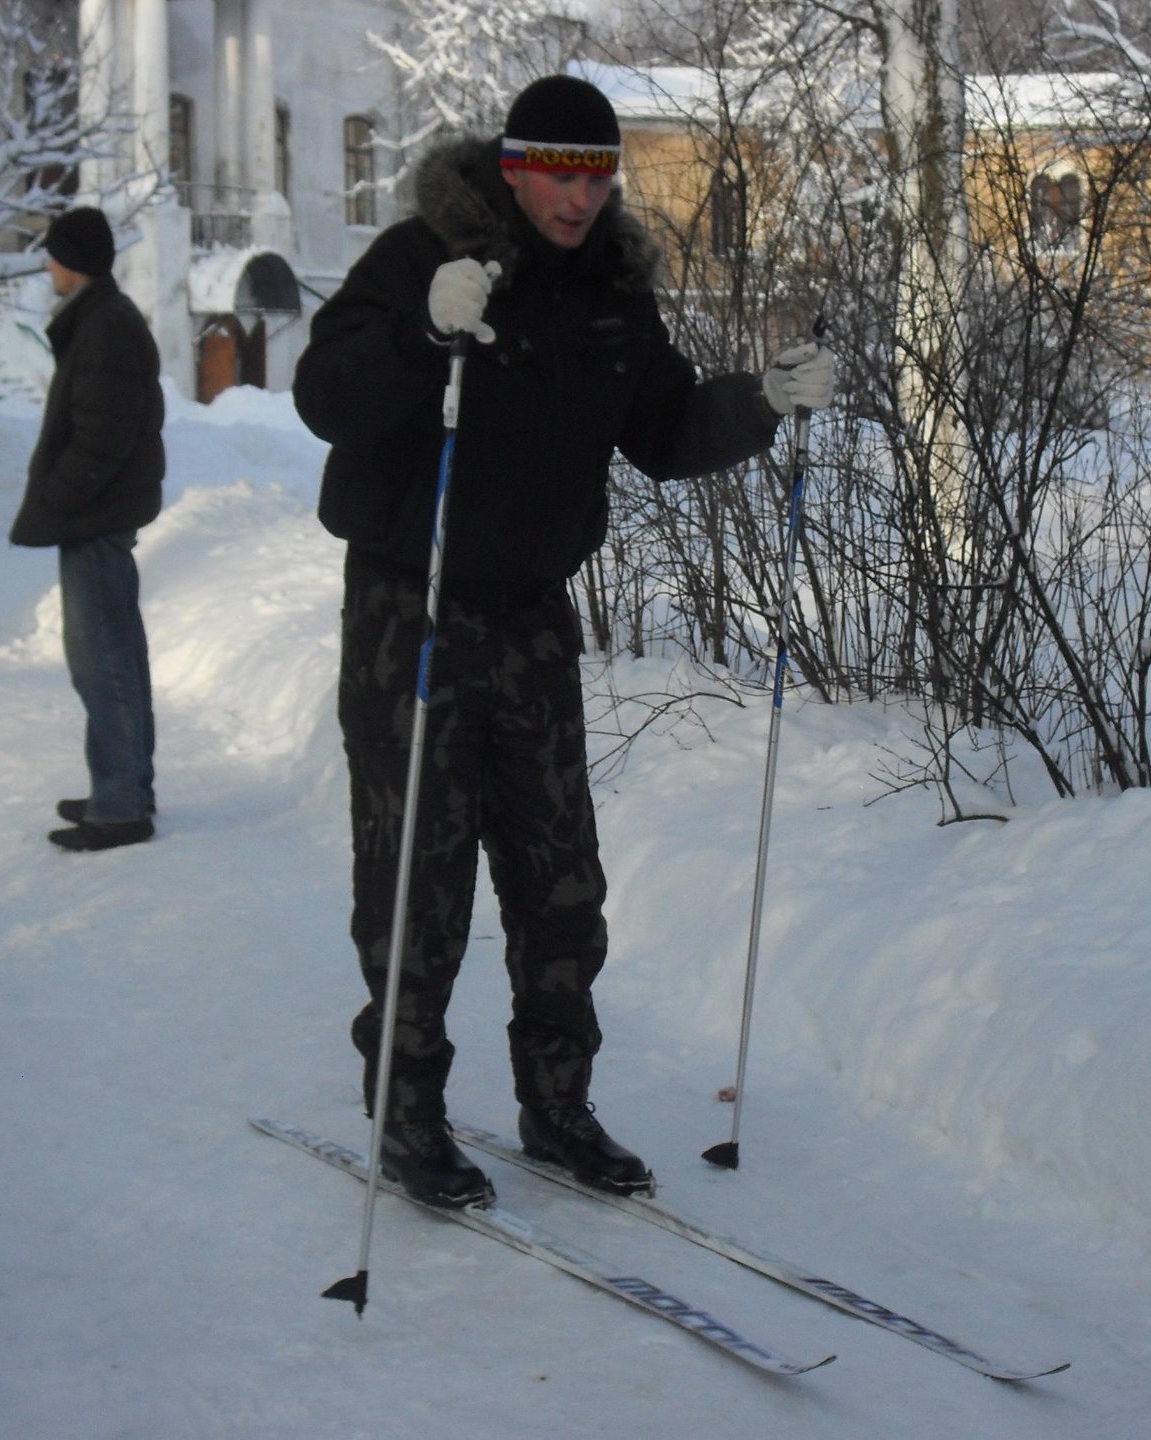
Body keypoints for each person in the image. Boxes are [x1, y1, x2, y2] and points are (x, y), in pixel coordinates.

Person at [293, 74, 836, 1207]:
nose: (579, 199)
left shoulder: (611, 293)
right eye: (558, 174)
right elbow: (325, 396)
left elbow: (667, 429)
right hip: (411, 611)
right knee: (418, 879)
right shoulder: (424, 257)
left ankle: (557, 1103)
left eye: (597, 176)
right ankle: (408, 1111)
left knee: (560, 882)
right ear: (514, 167)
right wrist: (420, 331)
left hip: (533, 618)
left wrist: (764, 400)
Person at [10, 207, 165, 853]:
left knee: (104, 665)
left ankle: (122, 804)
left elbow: (102, 438)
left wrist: (58, 498)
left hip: (96, 516)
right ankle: (123, 789)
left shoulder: (105, 327)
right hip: (99, 514)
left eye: (53, 255)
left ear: (72, 261)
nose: (47, 265)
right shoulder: (102, 319)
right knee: (111, 658)